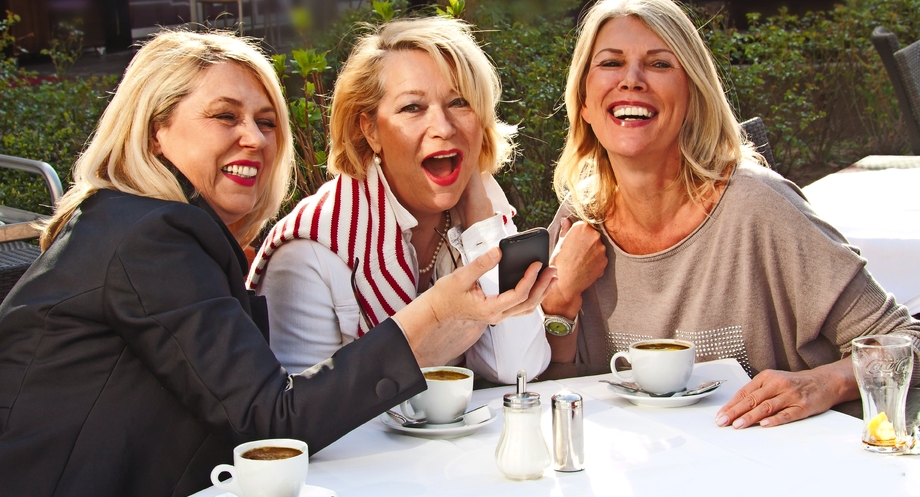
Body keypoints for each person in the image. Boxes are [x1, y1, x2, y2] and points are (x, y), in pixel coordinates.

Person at [0, 30, 555, 497]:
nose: (254, 138)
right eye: (225, 116)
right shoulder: (150, 236)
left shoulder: (137, 227)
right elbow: (272, 424)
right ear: (154, 130)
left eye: (267, 123)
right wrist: (432, 315)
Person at [540, 0, 920, 429]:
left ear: (693, 96)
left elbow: (906, 341)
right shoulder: (576, 220)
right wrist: (561, 301)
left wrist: (824, 383)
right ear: (584, 101)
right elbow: (555, 395)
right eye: (610, 63)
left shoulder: (756, 206)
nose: (631, 80)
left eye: (660, 64)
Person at [249, 17, 551, 384]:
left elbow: (517, 369)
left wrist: (482, 232)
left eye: (459, 103)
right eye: (413, 108)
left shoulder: (484, 214)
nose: (443, 127)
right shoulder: (309, 251)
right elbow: (301, 417)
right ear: (371, 130)